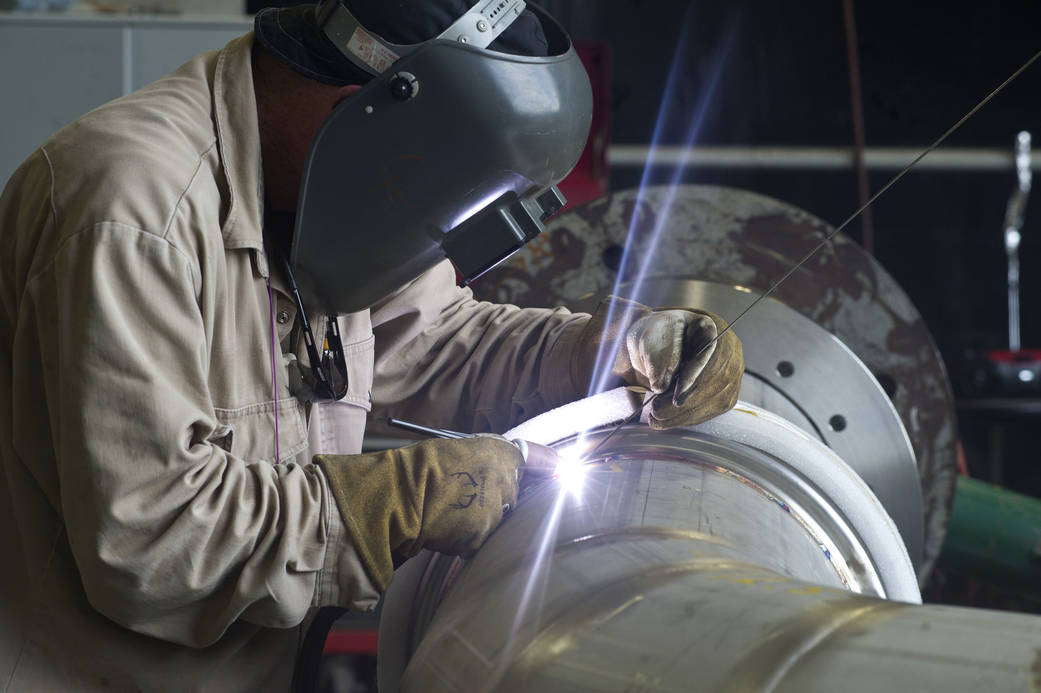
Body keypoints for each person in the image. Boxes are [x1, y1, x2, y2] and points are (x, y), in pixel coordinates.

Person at [0, 1, 743, 690]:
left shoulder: (322, 192)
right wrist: (393, 502)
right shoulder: (134, 214)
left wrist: (604, 353)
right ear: (365, 115)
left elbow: (436, 340)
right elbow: (154, 540)